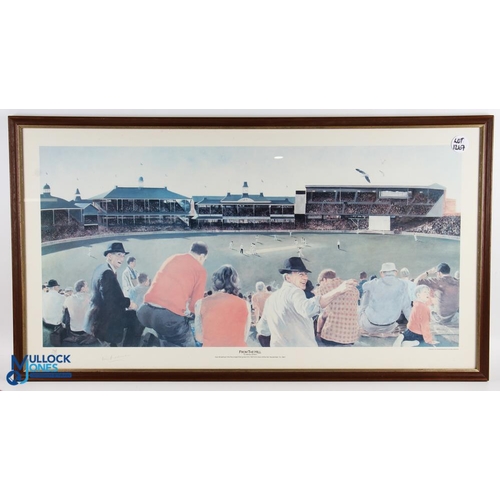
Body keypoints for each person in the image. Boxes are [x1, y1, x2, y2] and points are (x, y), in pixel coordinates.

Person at [256, 257, 357, 347]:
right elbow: (308, 309)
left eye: (305, 274)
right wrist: (339, 290)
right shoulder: (295, 291)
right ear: (288, 278)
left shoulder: (271, 299)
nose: (306, 277)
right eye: (301, 274)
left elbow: (262, 329)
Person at [137, 241, 208, 347]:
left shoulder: (173, 258)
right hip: (167, 318)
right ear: (202, 256)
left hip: (145, 311)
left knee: (166, 336)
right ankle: (155, 342)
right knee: (190, 347)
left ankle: (155, 342)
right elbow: (195, 306)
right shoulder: (200, 270)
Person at [84, 242, 144, 347]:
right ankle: (129, 348)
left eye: (123, 256)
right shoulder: (107, 273)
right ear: (109, 256)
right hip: (103, 321)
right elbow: (111, 300)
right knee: (138, 318)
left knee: (131, 315)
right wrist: (130, 303)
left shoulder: (101, 268)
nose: (122, 258)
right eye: (119, 255)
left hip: (97, 316)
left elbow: (111, 295)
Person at [194, 265, 250, 347]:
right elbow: (244, 337)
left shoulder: (200, 303)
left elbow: (199, 338)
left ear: (215, 281)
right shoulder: (245, 304)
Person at [359, 262, 412, 337]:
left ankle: (366, 328)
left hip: (370, 324)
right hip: (389, 325)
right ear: (396, 272)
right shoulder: (403, 284)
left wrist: (361, 312)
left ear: (381, 273)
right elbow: (406, 308)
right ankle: (382, 333)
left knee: (367, 292)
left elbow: (364, 286)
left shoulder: (374, 283)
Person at [315, 269, 360, 346]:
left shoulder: (323, 288)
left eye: (320, 283)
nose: (320, 285)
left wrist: (318, 332)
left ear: (324, 279)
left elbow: (323, 314)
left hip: (331, 337)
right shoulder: (353, 289)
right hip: (351, 337)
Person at [63, 279, 95, 344]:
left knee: (66, 311)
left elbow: (63, 309)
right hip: (87, 330)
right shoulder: (90, 298)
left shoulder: (69, 299)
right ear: (82, 288)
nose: (88, 288)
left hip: (74, 330)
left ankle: (74, 337)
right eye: (87, 286)